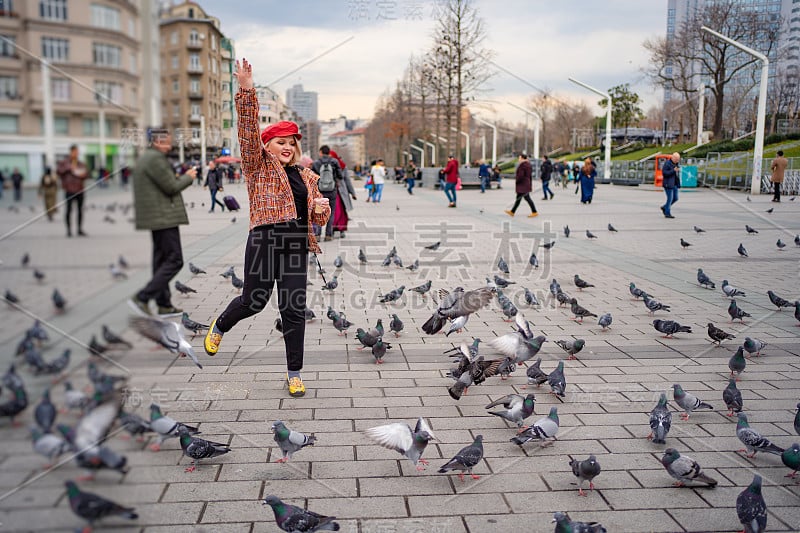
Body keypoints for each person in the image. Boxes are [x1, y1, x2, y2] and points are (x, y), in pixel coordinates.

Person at [204, 58, 330, 398]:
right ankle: (221, 324)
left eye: (292, 142)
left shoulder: (308, 176)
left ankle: (294, 373)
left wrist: (321, 207)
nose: (287, 146)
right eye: (280, 141)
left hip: (295, 248)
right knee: (254, 300)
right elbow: (247, 131)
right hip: (264, 240)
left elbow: (319, 218)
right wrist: (246, 89)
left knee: (293, 308)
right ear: (268, 145)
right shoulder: (258, 166)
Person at [128, 128, 196, 317]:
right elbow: (171, 187)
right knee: (175, 260)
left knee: (161, 261)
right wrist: (188, 177)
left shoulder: (146, 158)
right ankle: (142, 297)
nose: (170, 145)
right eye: (167, 141)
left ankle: (164, 304)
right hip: (164, 217)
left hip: (156, 217)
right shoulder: (156, 159)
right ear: (157, 142)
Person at [57, 145, 90, 237]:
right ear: (71, 152)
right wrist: (69, 168)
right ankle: (68, 230)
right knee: (68, 210)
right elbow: (59, 171)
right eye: (75, 151)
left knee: (80, 210)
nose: (76, 153)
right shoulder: (64, 163)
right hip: (69, 190)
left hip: (80, 189)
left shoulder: (81, 163)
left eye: (77, 151)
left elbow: (86, 174)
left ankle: (79, 229)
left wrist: (80, 173)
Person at [312, 145, 342, 241]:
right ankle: (328, 235)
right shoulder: (334, 162)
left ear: (320, 152)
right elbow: (340, 176)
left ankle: (317, 234)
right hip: (332, 190)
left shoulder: (316, 163)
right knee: (331, 212)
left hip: (319, 191)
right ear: (329, 152)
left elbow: (313, 177)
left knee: (318, 211)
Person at [330, 149, 357, 238]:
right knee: (334, 211)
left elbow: (347, 180)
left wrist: (352, 192)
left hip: (340, 193)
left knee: (340, 212)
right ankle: (333, 229)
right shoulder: (326, 165)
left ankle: (341, 229)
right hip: (332, 192)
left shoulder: (342, 166)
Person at [505, 153, 538, 218]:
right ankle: (512, 211)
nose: (519, 159)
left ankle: (534, 212)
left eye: (519, 158)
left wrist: (517, 181)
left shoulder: (523, 165)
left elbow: (521, 175)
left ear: (522, 158)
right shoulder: (528, 164)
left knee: (527, 198)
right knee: (518, 199)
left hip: (523, 184)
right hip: (525, 184)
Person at [660, 152, 680, 218]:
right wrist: (673, 171)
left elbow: (676, 174)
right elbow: (664, 173)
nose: (677, 160)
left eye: (678, 159)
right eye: (676, 159)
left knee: (676, 198)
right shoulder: (667, 163)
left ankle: (664, 207)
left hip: (674, 183)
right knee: (670, 199)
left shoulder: (676, 164)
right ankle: (667, 213)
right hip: (668, 184)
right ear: (672, 158)